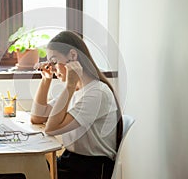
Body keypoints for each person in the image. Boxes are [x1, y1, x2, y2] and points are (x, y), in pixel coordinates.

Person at [31, 30, 123, 179]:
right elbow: (37, 117)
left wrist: (70, 85)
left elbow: (51, 129)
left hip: (90, 169)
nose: (52, 68)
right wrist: (46, 80)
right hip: (70, 161)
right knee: (7, 170)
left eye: (54, 61)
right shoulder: (76, 89)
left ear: (73, 56)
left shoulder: (96, 93)